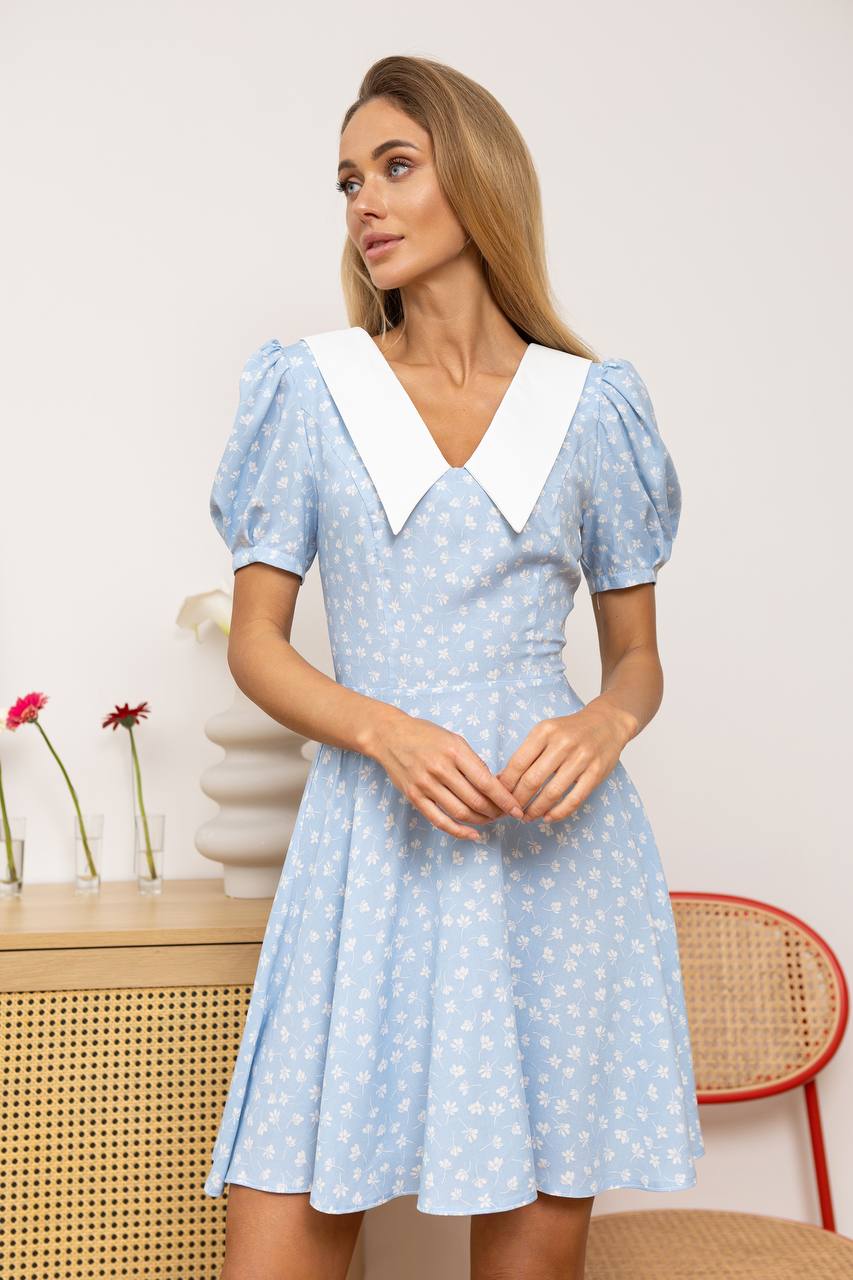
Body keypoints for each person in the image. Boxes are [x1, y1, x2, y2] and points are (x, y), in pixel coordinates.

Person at [205, 53, 704, 1280]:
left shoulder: (593, 409)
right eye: (345, 181)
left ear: (472, 179)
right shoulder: (311, 390)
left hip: (550, 854)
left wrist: (605, 723)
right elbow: (255, 641)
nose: (363, 203)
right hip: (371, 841)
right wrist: (382, 730)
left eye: (393, 167)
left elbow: (635, 660)